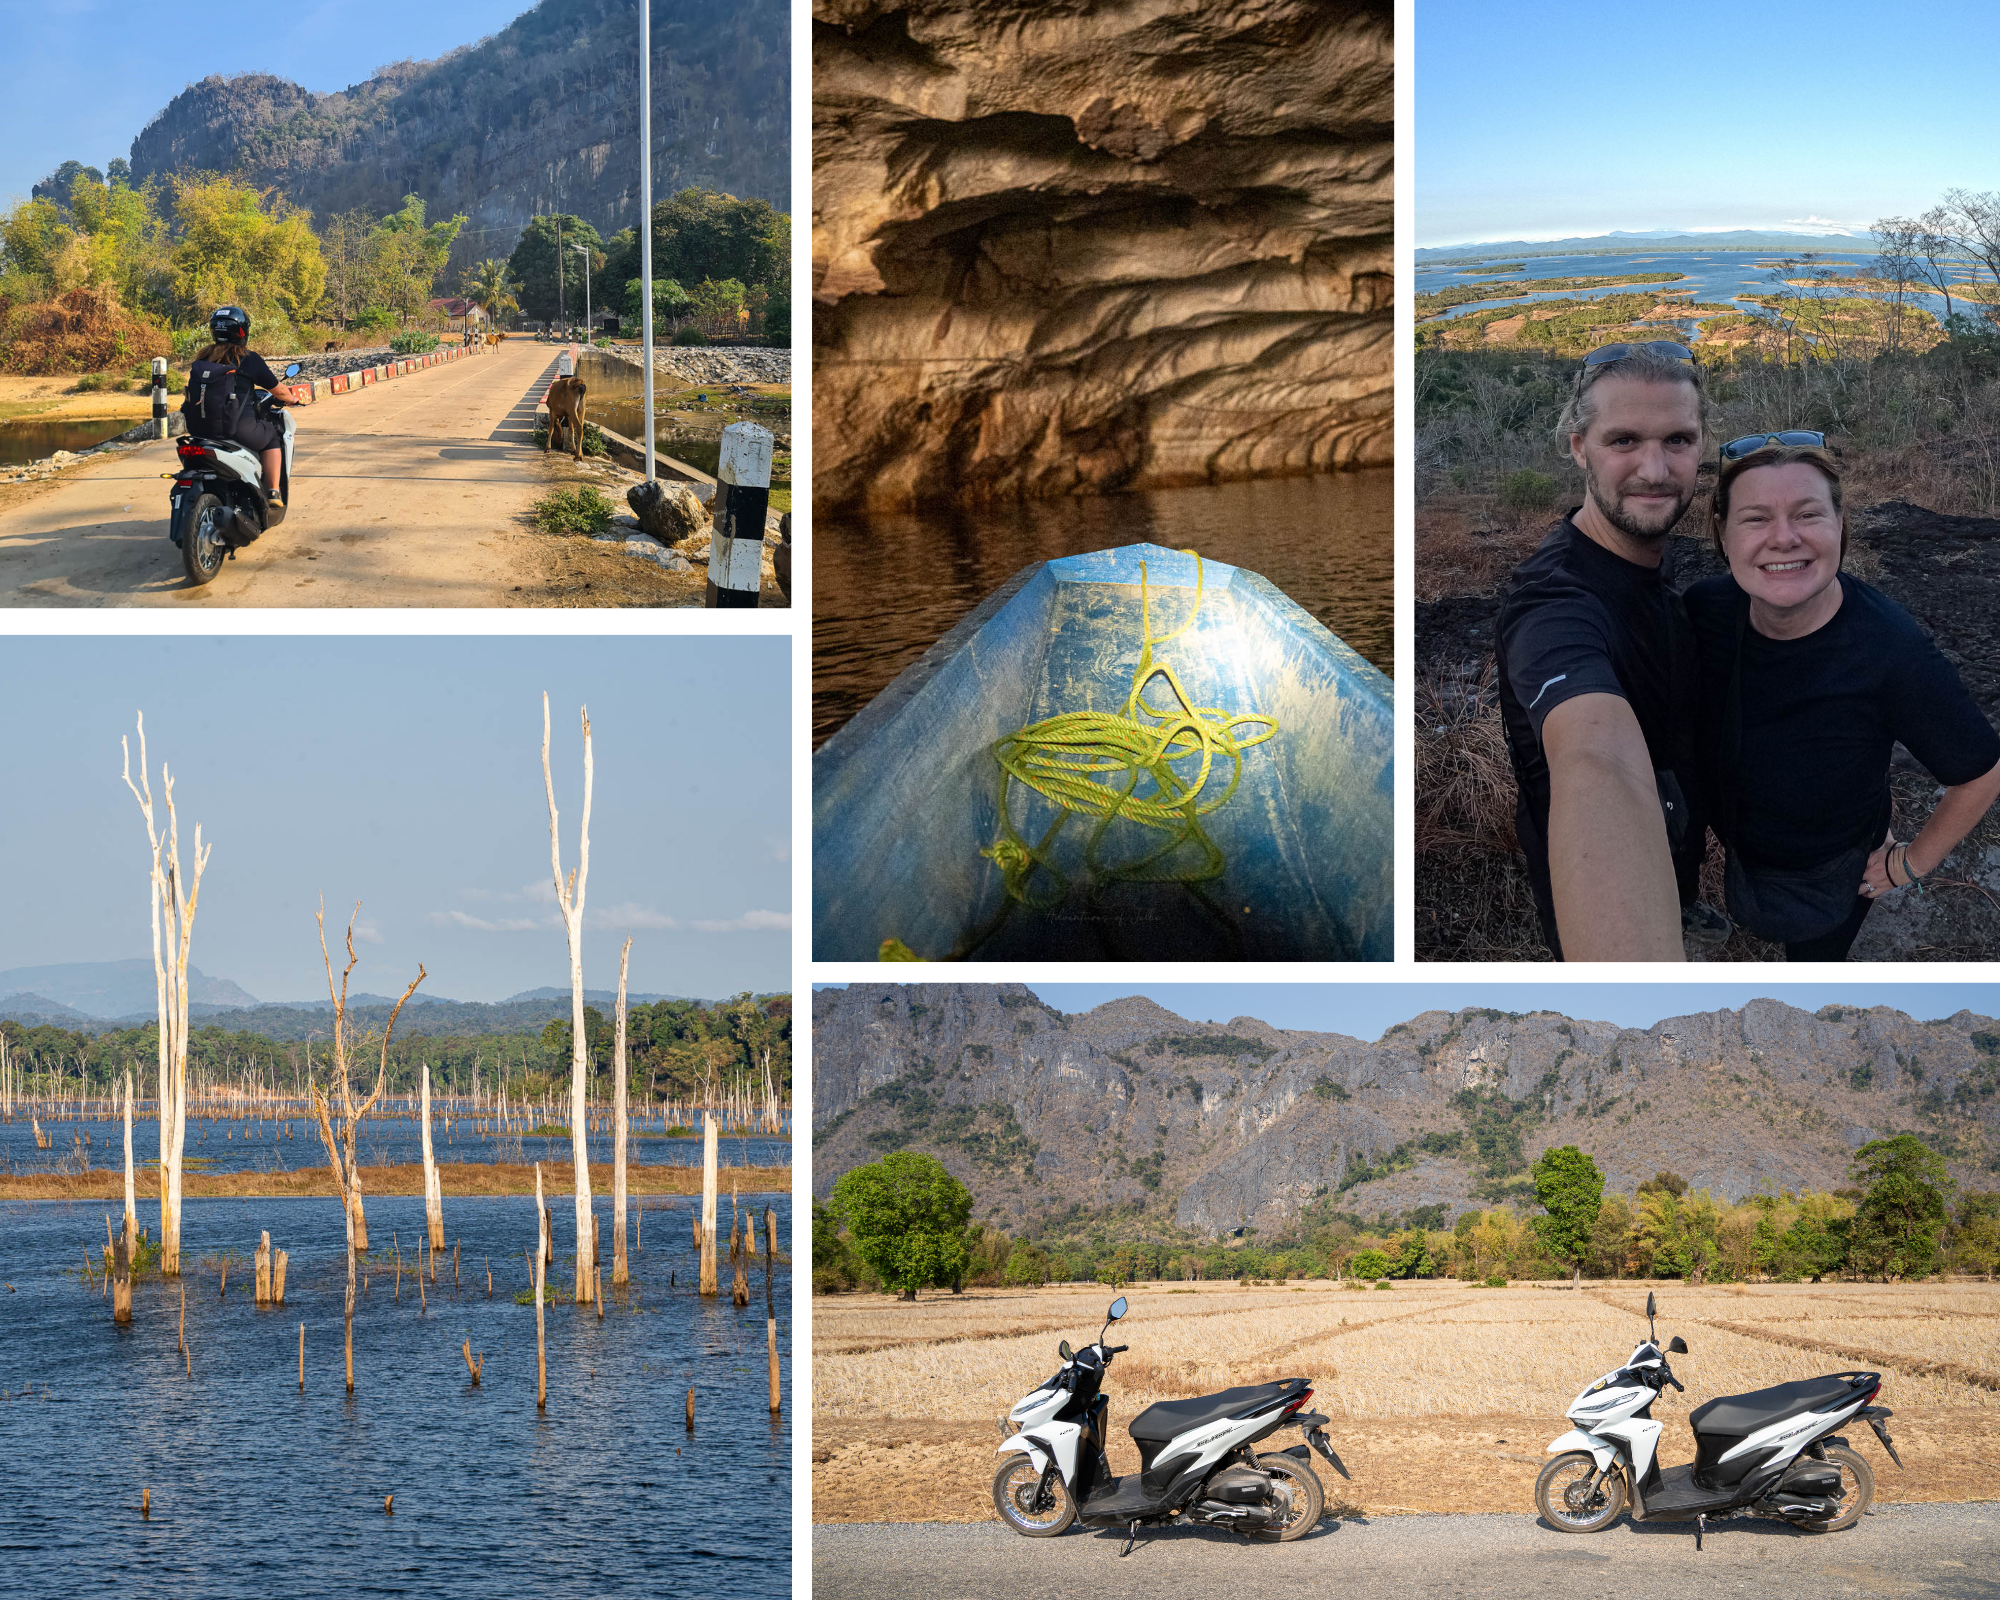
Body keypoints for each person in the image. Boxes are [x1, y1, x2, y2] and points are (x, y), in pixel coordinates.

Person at [1685, 436, 2000, 960]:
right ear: (1722, 532)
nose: (1783, 538)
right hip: (1742, 848)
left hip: (1836, 868)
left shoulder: (1889, 649)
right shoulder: (1706, 612)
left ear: (1839, 523)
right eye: (1756, 518)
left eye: (1808, 514)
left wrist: (1910, 863)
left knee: (1812, 967)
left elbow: (1980, 772)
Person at [1495, 341, 1726, 961]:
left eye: (1677, 440)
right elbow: (1599, 759)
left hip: (1674, 841)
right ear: (1579, 448)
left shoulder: (1641, 551)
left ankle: (1681, 904)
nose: (1655, 469)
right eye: (1624, 441)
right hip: (1593, 877)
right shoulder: (1552, 605)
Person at [182, 305, 290, 504]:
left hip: (199, 430)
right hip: (238, 429)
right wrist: (292, 398)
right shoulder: (247, 359)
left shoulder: (202, 358)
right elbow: (279, 390)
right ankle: (274, 492)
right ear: (242, 331)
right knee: (272, 437)